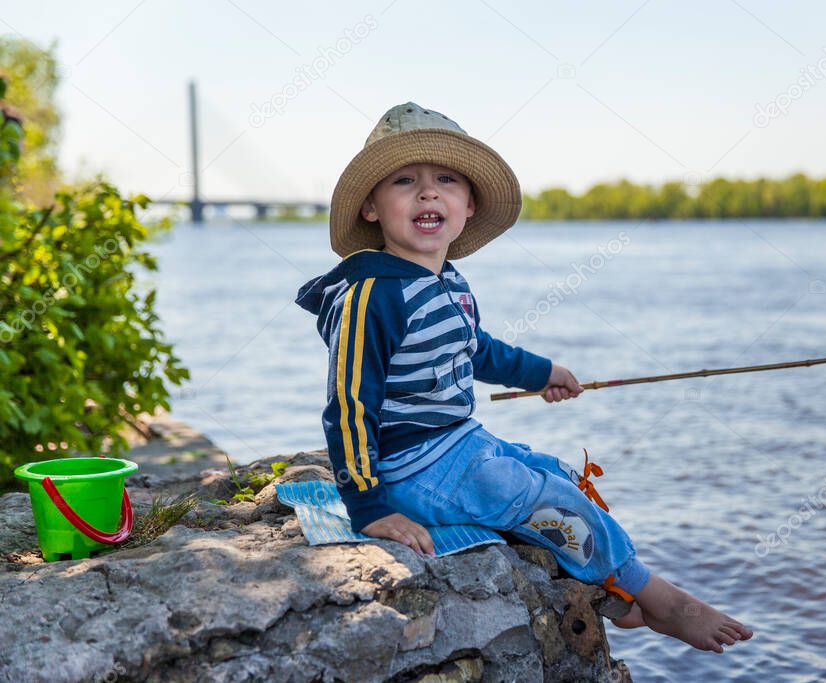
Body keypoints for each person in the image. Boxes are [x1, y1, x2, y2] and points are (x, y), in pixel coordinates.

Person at [295, 102, 753, 653]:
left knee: (553, 471)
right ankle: (658, 598)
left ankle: (609, 591)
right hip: (405, 468)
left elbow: (477, 349)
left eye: (446, 180)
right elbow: (348, 405)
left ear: (468, 205)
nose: (428, 193)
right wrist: (370, 508)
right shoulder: (373, 295)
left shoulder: (450, 282)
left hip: (455, 444)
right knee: (532, 495)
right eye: (404, 181)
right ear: (371, 206)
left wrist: (544, 373)